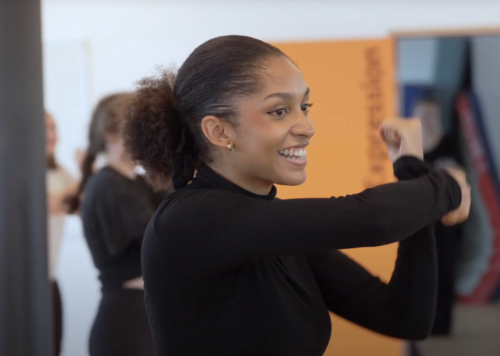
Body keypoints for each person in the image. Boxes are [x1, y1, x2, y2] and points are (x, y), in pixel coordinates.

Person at [123, 35, 471, 356]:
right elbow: (372, 219)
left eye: (305, 107)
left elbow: (404, 317)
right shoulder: (188, 220)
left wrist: (415, 175)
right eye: (279, 111)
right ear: (219, 131)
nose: (307, 127)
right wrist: (446, 185)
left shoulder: (272, 229)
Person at [67, 93, 162, 356]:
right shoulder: (108, 185)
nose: (146, 137)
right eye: (138, 128)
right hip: (127, 321)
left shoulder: (137, 183)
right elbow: (163, 236)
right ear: (111, 134)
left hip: (141, 314)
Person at [413, 96, 465, 336]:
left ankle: (443, 324)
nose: (429, 120)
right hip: (418, 218)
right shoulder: (411, 146)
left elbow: (461, 176)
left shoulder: (450, 142)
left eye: (433, 115)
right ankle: (422, 321)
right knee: (421, 271)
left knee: (445, 270)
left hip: (445, 218)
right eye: (424, 115)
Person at [46, 112, 77, 356]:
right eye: (44, 129)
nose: (51, 135)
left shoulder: (59, 172)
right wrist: (88, 173)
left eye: (54, 128)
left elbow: (80, 202)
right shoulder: (20, 173)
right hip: (22, 283)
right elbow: (52, 204)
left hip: (50, 280)